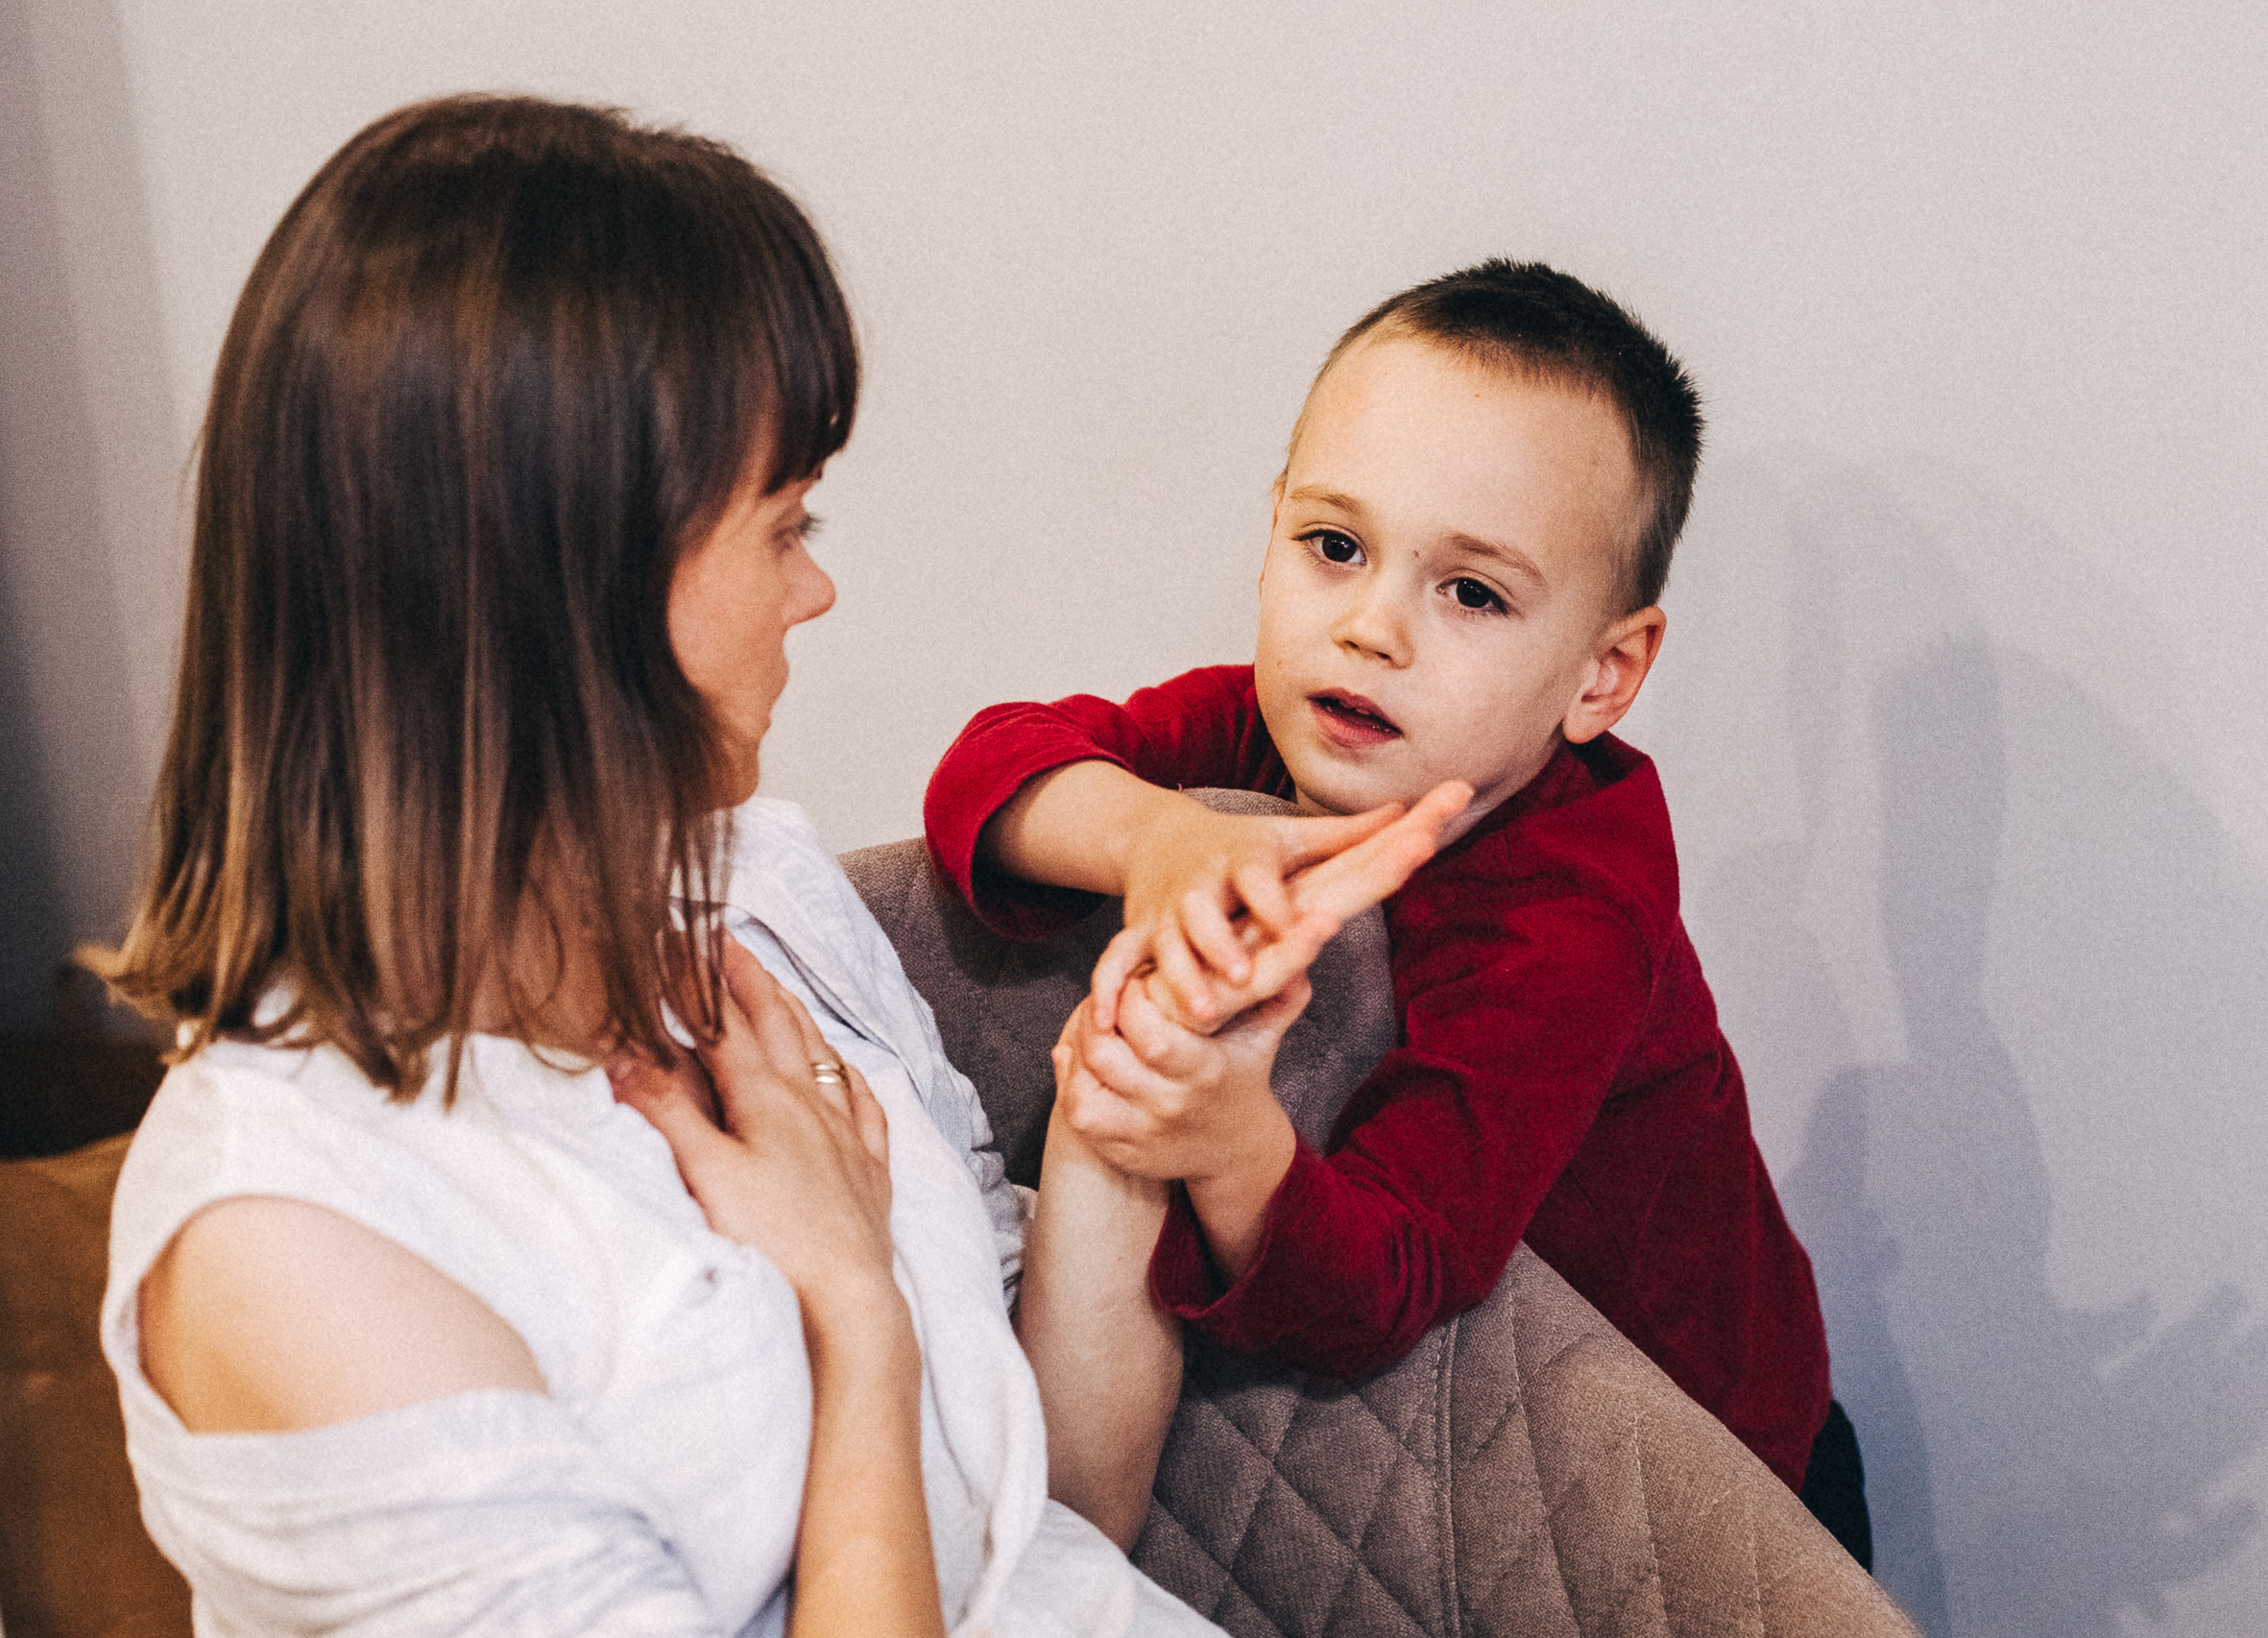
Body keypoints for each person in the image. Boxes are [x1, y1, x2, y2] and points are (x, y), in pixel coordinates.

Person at [87, 93, 1267, 1635]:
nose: (818, 586)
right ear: (566, 589)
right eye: (786, 523)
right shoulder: (295, 1234)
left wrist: (1128, 1103)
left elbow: (1042, 1525)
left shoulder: (757, 897)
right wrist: (853, 1319)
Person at [923, 260, 1870, 1554]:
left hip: (1721, 1464)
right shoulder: (1264, 734)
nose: (1370, 627)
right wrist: (1156, 836)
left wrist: (1225, 1140)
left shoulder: (1570, 914)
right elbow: (990, 764)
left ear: (1604, 675)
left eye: (1470, 591)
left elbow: (1395, 1267)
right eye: (1334, 546)